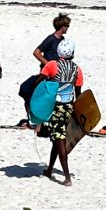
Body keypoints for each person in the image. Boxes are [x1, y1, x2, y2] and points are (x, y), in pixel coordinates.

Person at [40, 37, 83, 187]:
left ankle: (66, 178)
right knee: (57, 139)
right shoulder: (77, 69)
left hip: (56, 107)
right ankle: (50, 169)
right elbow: (78, 92)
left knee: (60, 140)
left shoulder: (52, 65)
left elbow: (40, 80)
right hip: (68, 108)